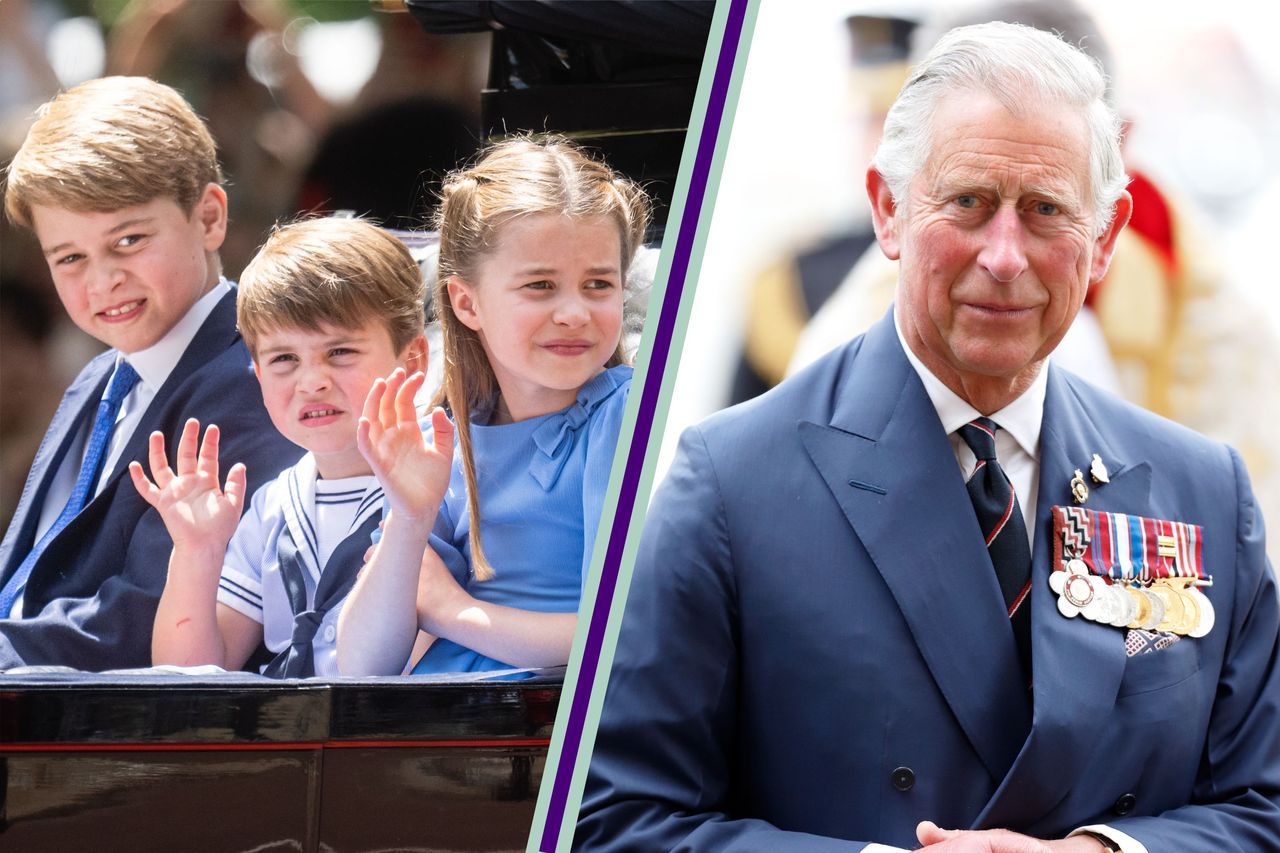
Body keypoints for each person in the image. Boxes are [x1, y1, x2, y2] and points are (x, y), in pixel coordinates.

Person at [577, 22, 1280, 853]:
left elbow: (1261, 805)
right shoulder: (729, 484)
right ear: (887, 208)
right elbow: (618, 819)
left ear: (1105, 239)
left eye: (1047, 210)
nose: (1007, 255)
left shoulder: (1202, 487)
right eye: (969, 203)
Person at [0, 76, 299, 671]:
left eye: (129, 240)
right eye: (71, 258)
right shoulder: (99, 378)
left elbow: (139, 613)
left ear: (209, 218)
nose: (101, 280)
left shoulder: (258, 376)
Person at [338, 137, 650, 677]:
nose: (575, 312)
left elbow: (624, 636)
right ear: (467, 303)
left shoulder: (625, 414)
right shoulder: (444, 439)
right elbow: (364, 665)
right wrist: (411, 518)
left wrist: (453, 611)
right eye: (541, 286)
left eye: (598, 284)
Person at [131, 217, 438, 678]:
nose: (312, 382)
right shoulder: (274, 505)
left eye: (340, 352)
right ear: (256, 374)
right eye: (284, 360)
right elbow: (187, 676)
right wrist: (197, 551)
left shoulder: (450, 480)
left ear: (411, 359)